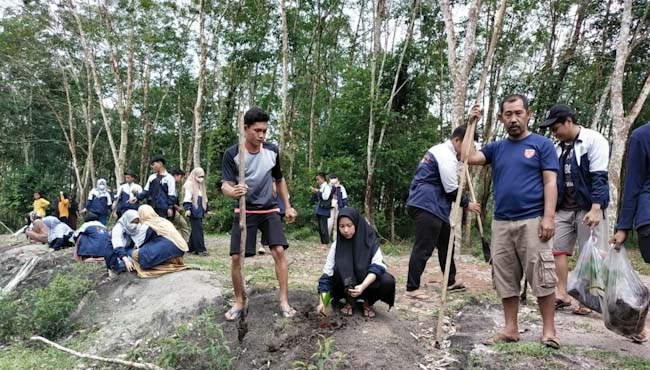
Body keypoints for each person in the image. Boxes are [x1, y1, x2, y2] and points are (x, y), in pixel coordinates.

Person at [467, 95, 560, 349]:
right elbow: (467, 156)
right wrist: (471, 123)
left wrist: (549, 217)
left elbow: (550, 181)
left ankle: (549, 331)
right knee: (506, 277)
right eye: (508, 114)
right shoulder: (496, 148)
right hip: (501, 223)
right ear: (501, 118)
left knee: (542, 276)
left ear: (528, 114)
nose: (514, 119)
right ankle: (510, 328)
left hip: (533, 221)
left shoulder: (542, 145)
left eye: (518, 113)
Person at [221, 107, 298, 321]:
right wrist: (233, 191)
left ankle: (283, 300)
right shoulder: (233, 154)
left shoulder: (272, 151)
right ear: (245, 129)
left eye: (265, 130)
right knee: (237, 257)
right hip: (245, 210)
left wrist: (287, 206)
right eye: (257, 131)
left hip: (270, 208)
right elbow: (225, 185)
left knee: (279, 252)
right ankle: (239, 301)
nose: (262, 135)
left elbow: (279, 179)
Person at [539, 104, 610, 316]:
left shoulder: (593, 140)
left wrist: (597, 208)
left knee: (590, 253)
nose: (554, 133)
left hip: (588, 207)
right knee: (558, 249)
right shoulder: (557, 148)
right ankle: (562, 292)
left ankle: (587, 298)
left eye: (556, 127)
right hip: (564, 207)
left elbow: (599, 176)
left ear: (569, 122)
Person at [404, 125, 481, 299]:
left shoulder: (444, 152)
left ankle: (450, 281)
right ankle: (411, 288)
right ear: (457, 141)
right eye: (468, 145)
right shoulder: (446, 156)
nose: (470, 150)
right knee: (423, 247)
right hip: (427, 204)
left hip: (434, 206)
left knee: (446, 243)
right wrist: (467, 204)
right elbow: (451, 189)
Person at [610, 122, 650, 343]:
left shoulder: (640, 135)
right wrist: (623, 227)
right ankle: (632, 321)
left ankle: (634, 322)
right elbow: (633, 183)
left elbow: (633, 183)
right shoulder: (642, 136)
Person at [316, 208, 395, 318]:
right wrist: (322, 303)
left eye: (349, 225)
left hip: (366, 285)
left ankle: (368, 302)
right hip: (346, 285)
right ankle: (350, 302)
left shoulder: (370, 242)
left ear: (357, 224)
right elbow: (327, 276)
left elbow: (378, 266)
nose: (346, 230)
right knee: (337, 272)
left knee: (387, 281)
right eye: (342, 226)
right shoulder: (337, 245)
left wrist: (362, 286)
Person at [127, 205, 189, 278]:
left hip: (169, 247)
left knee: (135, 254)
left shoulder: (146, 225)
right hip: (180, 250)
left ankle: (159, 268)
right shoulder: (163, 220)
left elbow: (138, 244)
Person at [183, 168, 208, 256]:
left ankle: (191, 247)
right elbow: (187, 197)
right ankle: (200, 249)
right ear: (195, 175)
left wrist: (207, 209)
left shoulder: (201, 185)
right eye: (199, 176)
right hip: (193, 209)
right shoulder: (189, 184)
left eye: (203, 176)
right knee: (198, 229)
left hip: (200, 209)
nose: (201, 178)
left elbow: (204, 198)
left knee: (196, 228)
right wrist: (188, 209)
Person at [311, 173, 332, 249]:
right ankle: (322, 242)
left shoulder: (327, 187)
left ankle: (325, 243)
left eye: (318, 179)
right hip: (320, 209)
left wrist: (318, 192)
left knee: (324, 227)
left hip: (324, 209)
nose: (317, 181)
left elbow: (325, 197)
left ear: (323, 179)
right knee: (320, 227)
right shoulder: (321, 187)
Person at [327, 174, 349, 240]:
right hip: (330, 207)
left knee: (337, 224)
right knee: (329, 223)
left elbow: (344, 198)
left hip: (339, 207)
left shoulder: (341, 187)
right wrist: (334, 188)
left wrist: (344, 206)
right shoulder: (328, 187)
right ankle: (326, 240)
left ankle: (335, 240)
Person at [171, 168, 190, 241]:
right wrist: (177, 208)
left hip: (174, 209)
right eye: (181, 177)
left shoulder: (174, 185)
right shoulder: (169, 184)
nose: (181, 180)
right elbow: (168, 198)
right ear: (176, 176)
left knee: (183, 224)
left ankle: (186, 242)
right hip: (170, 209)